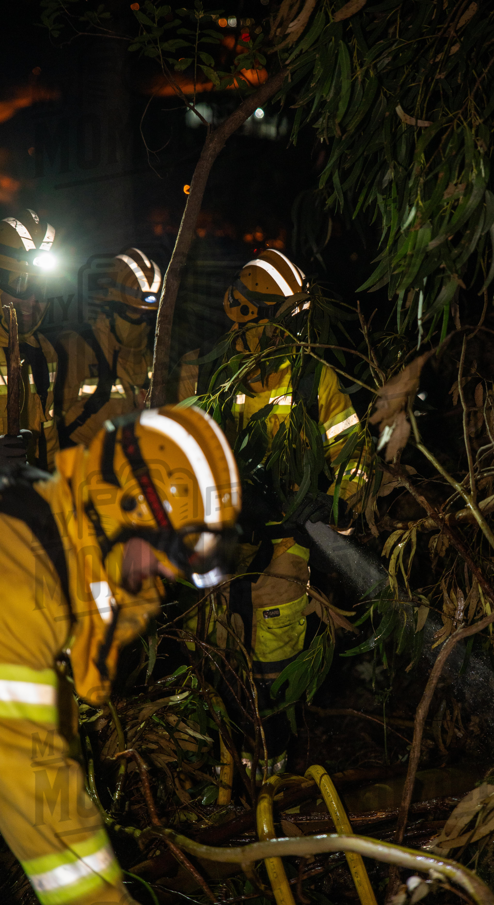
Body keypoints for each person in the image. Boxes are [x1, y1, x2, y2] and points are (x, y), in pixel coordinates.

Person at [0, 404, 240, 905]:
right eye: (173, 550)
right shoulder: (19, 579)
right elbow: (29, 770)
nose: (170, 574)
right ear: (124, 510)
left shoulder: (54, 532)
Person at [175, 249, 370, 778]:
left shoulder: (314, 379)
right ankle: (212, 781)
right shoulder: (199, 371)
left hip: (284, 548)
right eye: (284, 318)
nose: (293, 331)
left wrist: (333, 503)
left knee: (275, 672)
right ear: (243, 311)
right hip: (211, 547)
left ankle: (270, 778)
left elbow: (355, 458)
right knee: (210, 662)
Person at [55, 248, 161, 448]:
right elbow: (49, 422)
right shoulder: (76, 347)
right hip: (79, 458)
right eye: (134, 310)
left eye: (148, 314)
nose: (142, 319)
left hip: (125, 458)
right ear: (111, 304)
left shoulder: (148, 355)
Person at [0, 209, 60, 469]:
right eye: (20, 285)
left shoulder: (44, 351)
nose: (32, 301)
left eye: (42, 288)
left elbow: (49, 438)